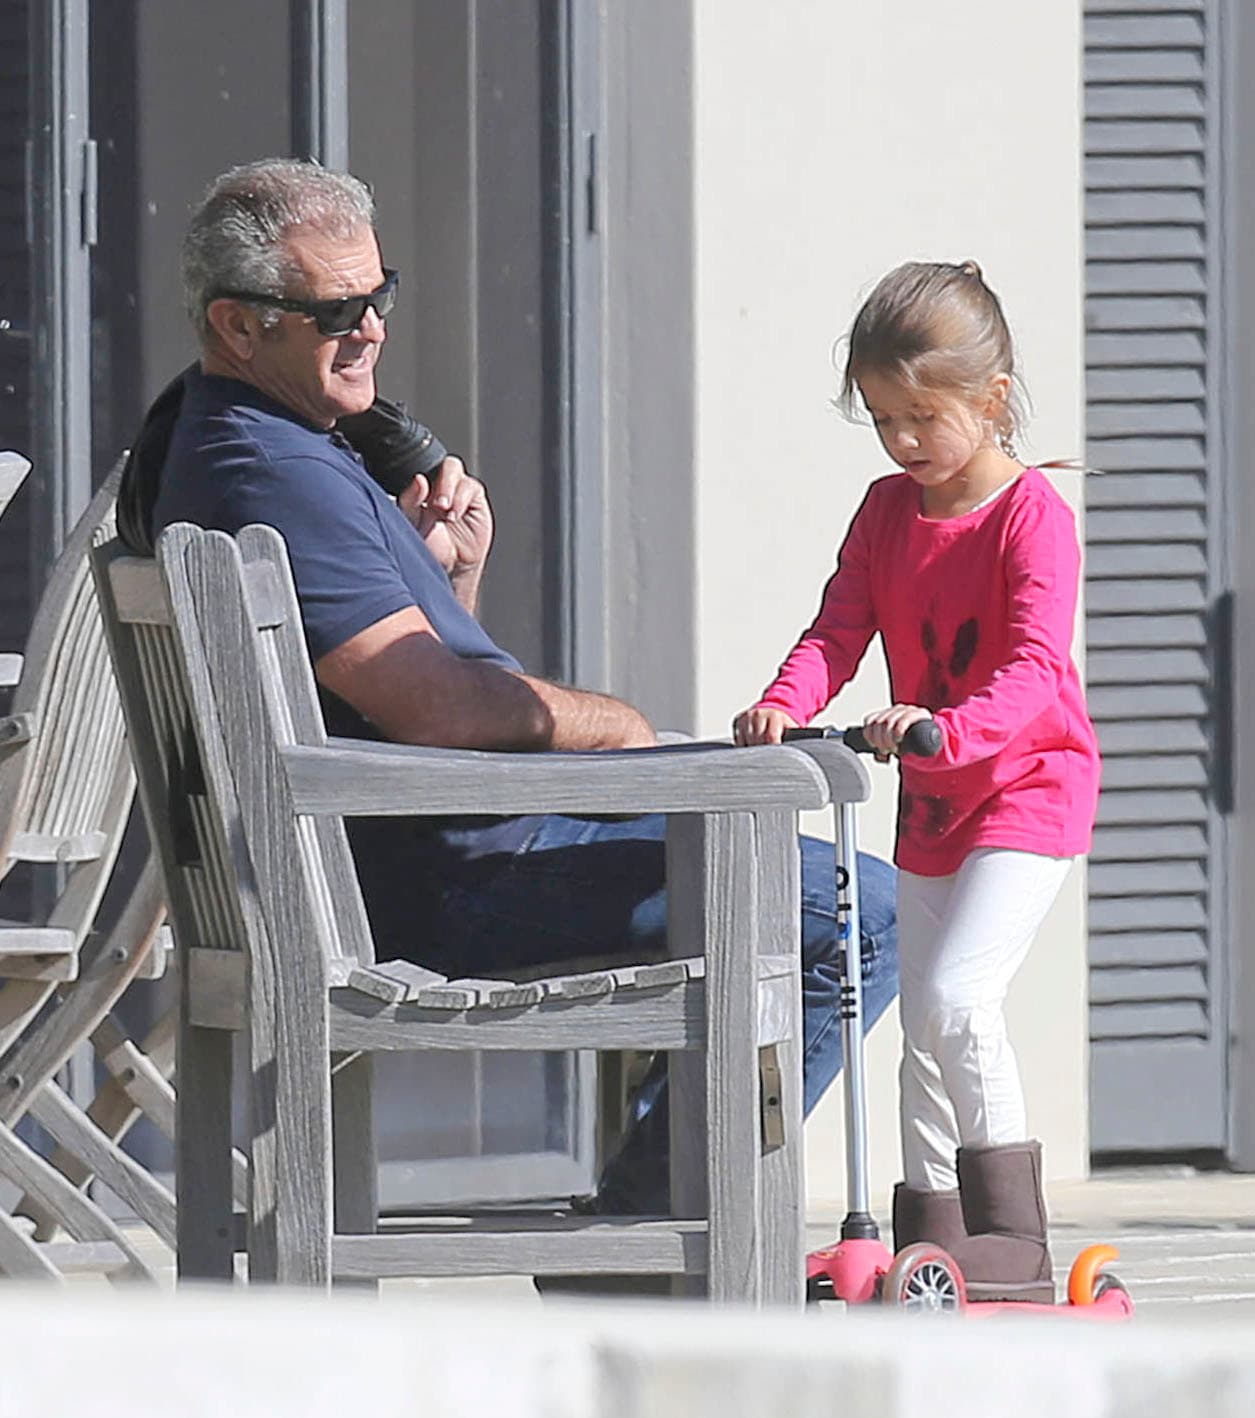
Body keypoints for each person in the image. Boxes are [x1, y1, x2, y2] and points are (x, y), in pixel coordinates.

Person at [121, 156, 900, 1228]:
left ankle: (648, 1232)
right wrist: (619, 732)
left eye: (379, 295)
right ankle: (647, 1240)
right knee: (855, 913)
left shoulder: (233, 436)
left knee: (779, 866)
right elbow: (438, 713)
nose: (370, 328)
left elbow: (401, 694)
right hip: (441, 884)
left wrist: (445, 581)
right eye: (335, 310)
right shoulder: (272, 469)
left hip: (411, 851)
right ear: (237, 325)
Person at [734, 260, 1100, 1303]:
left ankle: (1013, 1239)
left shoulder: (1031, 517)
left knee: (956, 997)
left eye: (920, 416)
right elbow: (838, 628)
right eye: (882, 418)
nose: (900, 441)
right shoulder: (886, 511)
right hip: (935, 799)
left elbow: (1032, 667)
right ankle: (933, 1230)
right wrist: (782, 699)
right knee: (919, 1029)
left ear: (992, 396)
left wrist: (947, 730)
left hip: (1027, 790)